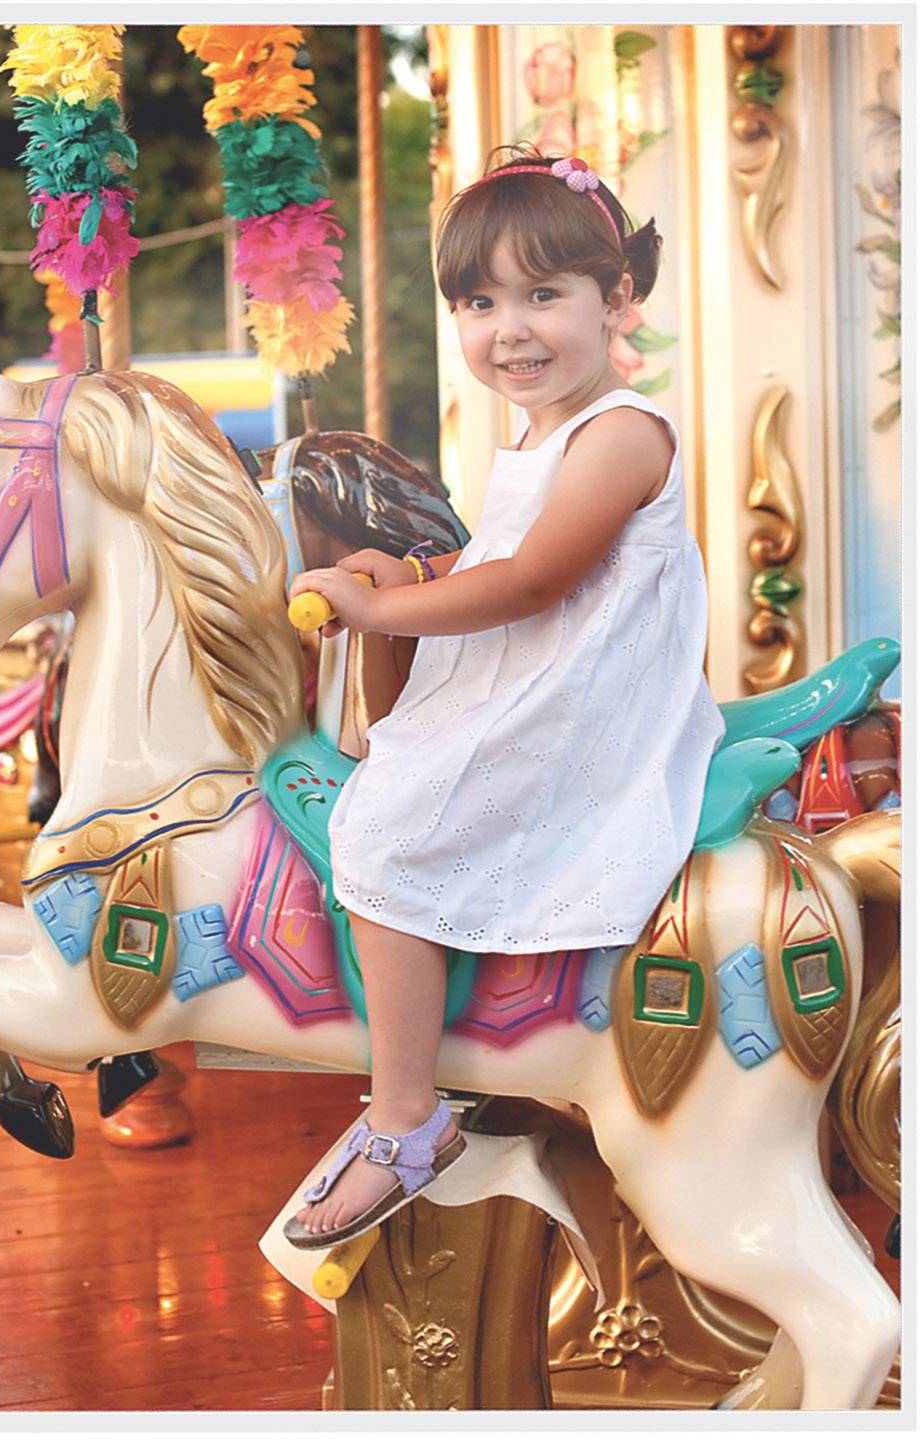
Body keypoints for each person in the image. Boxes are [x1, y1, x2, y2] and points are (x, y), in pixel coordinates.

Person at [282, 146, 726, 1249]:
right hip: (537, 671)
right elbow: (492, 555)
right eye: (478, 302)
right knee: (391, 759)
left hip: (587, 705)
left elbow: (534, 581)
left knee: (384, 833)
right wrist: (410, 577)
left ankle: (405, 1120)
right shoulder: (530, 435)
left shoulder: (621, 433)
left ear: (617, 297)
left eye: (544, 294)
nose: (508, 330)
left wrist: (381, 614)